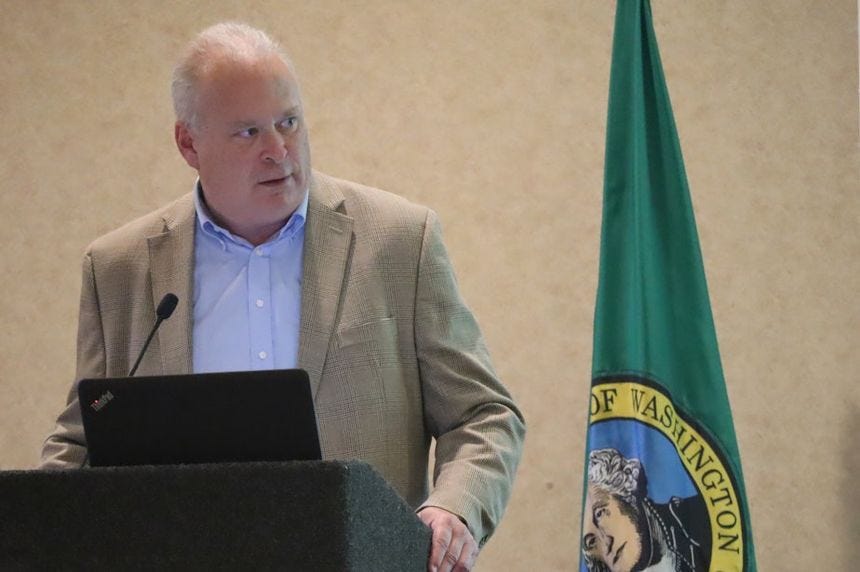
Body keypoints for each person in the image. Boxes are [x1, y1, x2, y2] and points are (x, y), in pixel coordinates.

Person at [40, 22, 525, 572]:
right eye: (247, 133)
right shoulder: (120, 268)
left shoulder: (398, 242)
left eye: (288, 122)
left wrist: (453, 509)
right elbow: (82, 442)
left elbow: (484, 414)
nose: (279, 150)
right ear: (187, 143)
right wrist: (33, 532)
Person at [582, 448, 710, 572]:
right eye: (591, 541)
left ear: (625, 494)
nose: (606, 543)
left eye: (600, 514)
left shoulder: (702, 517)